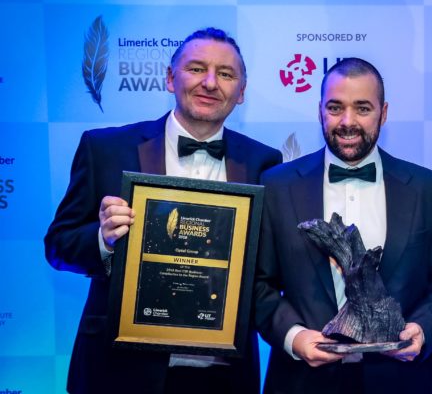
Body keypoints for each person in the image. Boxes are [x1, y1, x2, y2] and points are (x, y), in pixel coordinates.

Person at [44, 27, 282, 394]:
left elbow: (267, 268)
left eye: (225, 74)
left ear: (241, 92)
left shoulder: (265, 162)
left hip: (223, 375)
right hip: (120, 371)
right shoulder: (104, 148)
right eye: (196, 69)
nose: (210, 83)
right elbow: (58, 245)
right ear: (171, 78)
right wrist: (103, 240)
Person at [254, 57, 432, 393]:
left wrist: (422, 329)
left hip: (400, 382)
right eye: (336, 108)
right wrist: (295, 336)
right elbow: (259, 284)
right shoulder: (277, 186)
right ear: (320, 109)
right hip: (301, 381)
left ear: (384, 112)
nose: (347, 121)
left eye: (362, 108)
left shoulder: (428, 188)